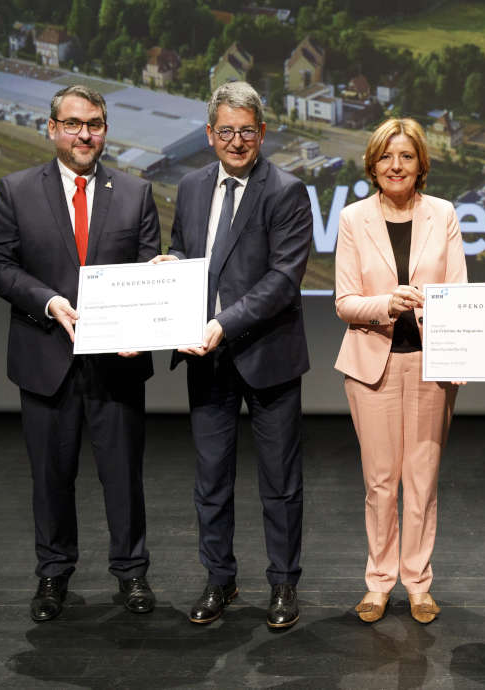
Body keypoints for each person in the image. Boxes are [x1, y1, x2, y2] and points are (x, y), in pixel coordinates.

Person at [0, 85, 161, 622]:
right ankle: (54, 575)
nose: (86, 134)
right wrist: (50, 301)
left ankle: (132, 573)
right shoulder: (17, 190)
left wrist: (150, 310)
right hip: (46, 359)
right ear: (53, 127)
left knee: (124, 476)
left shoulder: (135, 192)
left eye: (96, 124)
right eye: (75, 123)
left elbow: (150, 266)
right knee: (51, 476)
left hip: (118, 362)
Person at [151, 81, 312, 629]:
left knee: (279, 483)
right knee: (211, 480)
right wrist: (167, 269)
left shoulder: (287, 191)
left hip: (267, 356)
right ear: (209, 135)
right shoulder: (193, 186)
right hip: (208, 359)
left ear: (262, 133)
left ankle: (284, 585)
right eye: (226, 131)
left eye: (247, 130)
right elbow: (186, 253)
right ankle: (219, 580)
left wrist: (222, 324)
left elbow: (283, 281)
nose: (237, 141)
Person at [334, 118, 467, 625]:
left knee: (422, 480)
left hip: (432, 365)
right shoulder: (352, 218)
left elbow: (456, 290)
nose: (396, 166)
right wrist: (388, 304)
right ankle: (378, 582)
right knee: (381, 483)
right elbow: (345, 302)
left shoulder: (444, 214)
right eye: (387, 157)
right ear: (373, 163)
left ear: (420, 165)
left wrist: (442, 320)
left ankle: (417, 583)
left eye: (406, 157)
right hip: (374, 367)